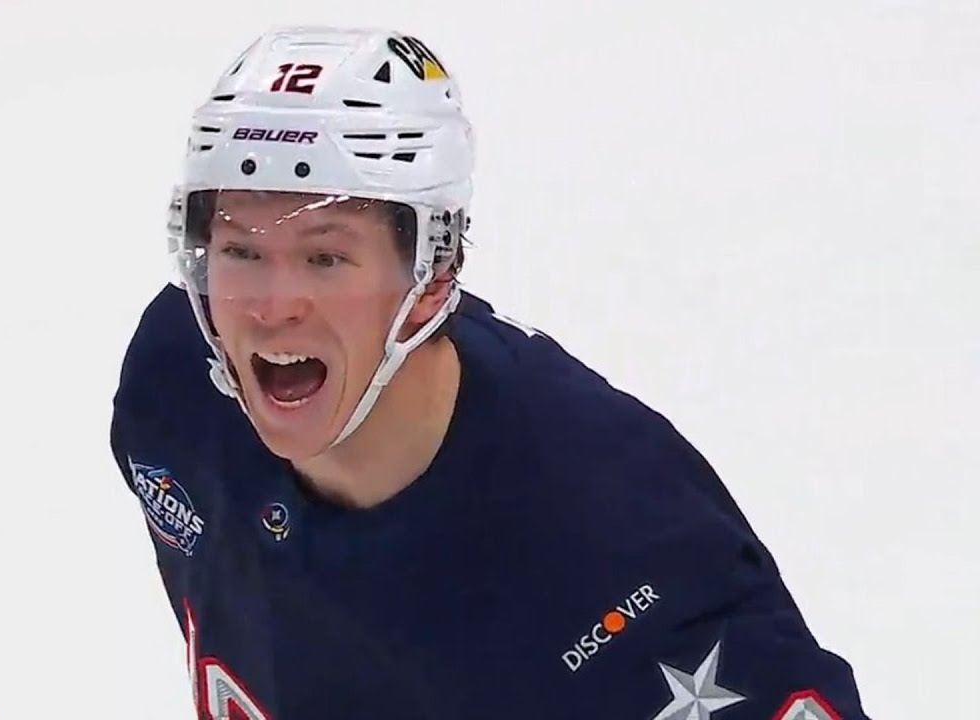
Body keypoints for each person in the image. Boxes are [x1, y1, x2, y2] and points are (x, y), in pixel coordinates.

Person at [110, 25, 869, 719]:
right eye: (241, 250)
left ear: (434, 275)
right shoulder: (176, 389)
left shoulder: (615, 530)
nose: (272, 308)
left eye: (325, 257)